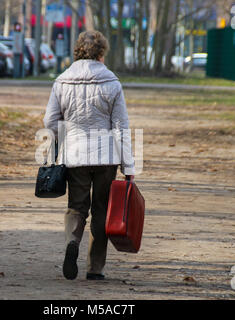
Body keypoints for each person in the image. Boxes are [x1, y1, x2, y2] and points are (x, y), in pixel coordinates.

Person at [43, 30, 135, 280]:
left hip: (75, 156)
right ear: (101, 53)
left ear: (77, 50)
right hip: (106, 158)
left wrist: (60, 141)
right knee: (102, 210)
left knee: (76, 206)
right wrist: (129, 165)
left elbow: (49, 121)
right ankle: (95, 268)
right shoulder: (112, 82)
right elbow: (121, 127)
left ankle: (72, 242)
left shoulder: (62, 81)